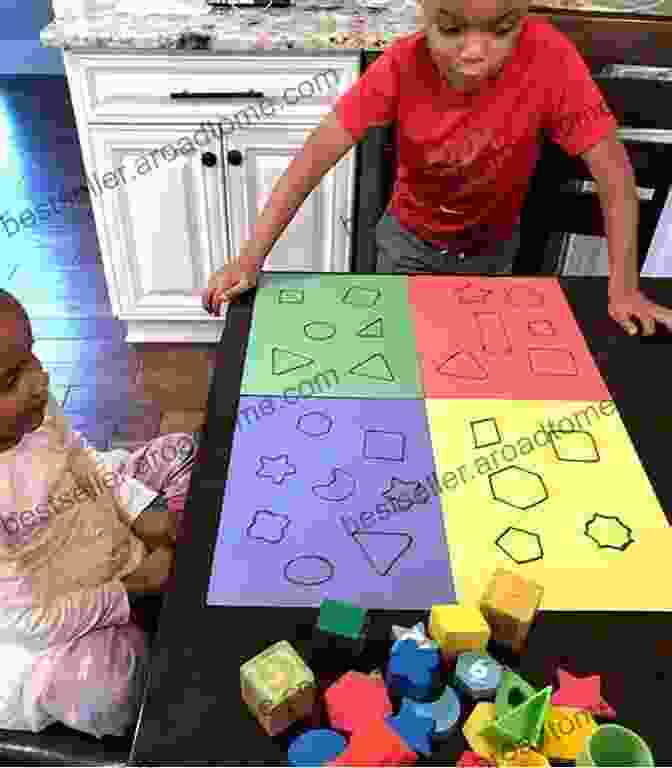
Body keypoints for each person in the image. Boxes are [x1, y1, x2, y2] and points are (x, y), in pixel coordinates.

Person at [202, 0, 672, 337]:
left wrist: (624, 287)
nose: (475, 52)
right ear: (425, 12)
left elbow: (615, 179)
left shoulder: (550, 58)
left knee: (469, 369)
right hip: (406, 251)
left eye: (501, 28)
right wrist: (250, 258)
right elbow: (311, 162)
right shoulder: (400, 66)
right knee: (395, 364)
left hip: (493, 257)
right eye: (451, 29)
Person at [0, 288, 200, 737]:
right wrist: (133, 589)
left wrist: (137, 507)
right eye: (11, 380)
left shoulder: (35, 411)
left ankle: (165, 600)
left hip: (99, 534)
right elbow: (30, 620)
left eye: (31, 357)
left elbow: (84, 458)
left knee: (180, 449)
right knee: (108, 694)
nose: (40, 379)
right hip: (52, 623)